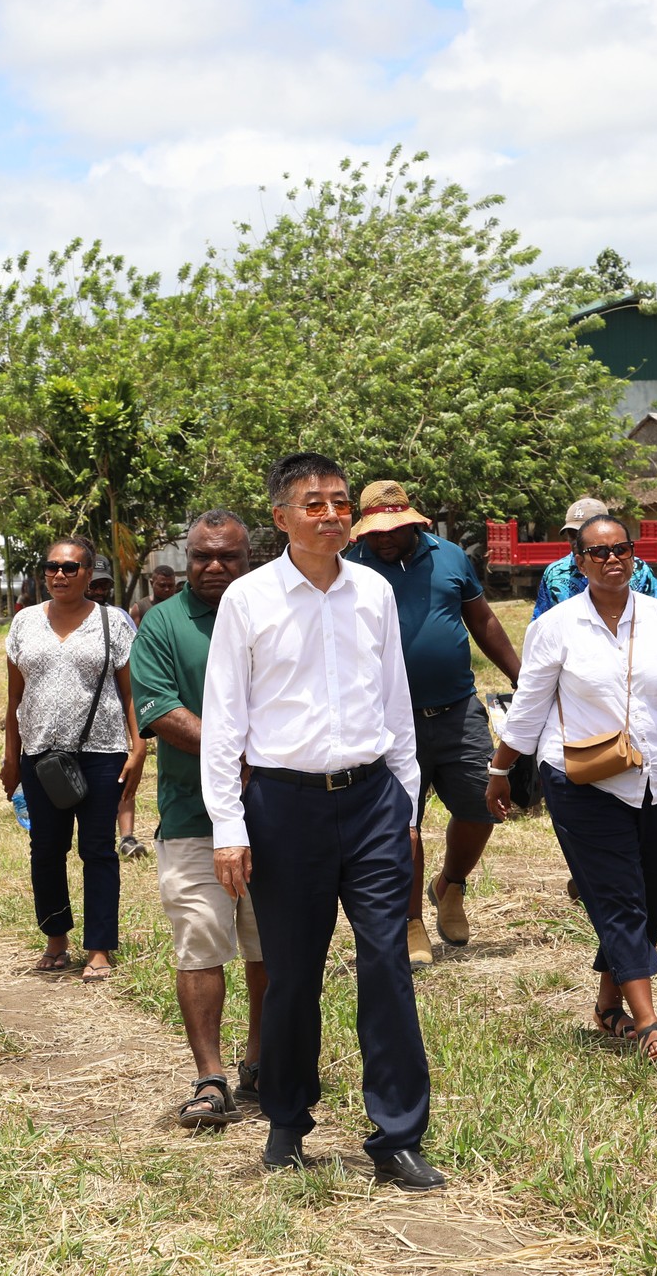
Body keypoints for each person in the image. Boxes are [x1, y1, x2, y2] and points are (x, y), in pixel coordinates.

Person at [201, 451, 443, 1191]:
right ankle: (286, 1122)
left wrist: (406, 803)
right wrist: (230, 827)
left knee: (387, 965)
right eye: (315, 504)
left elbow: (395, 706)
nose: (333, 514)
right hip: (284, 807)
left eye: (341, 502)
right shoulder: (248, 599)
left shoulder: (371, 593)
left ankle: (397, 1133)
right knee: (293, 974)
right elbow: (224, 723)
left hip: (373, 801)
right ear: (281, 518)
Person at [490, 514, 657, 1063]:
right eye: (597, 553)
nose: (611, 560)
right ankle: (648, 1023)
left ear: (635, 555)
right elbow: (529, 708)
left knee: (649, 897)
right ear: (577, 562)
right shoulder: (554, 627)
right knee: (618, 896)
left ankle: (608, 1009)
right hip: (581, 781)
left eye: (621, 549)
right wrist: (500, 770)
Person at [130, 511, 268, 1130]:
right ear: (187, 558)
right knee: (200, 942)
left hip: (275, 812)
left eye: (228, 557)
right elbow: (158, 710)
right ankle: (211, 1077)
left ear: (249, 557)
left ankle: (262, 1061)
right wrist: (239, 754)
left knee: (269, 946)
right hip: (191, 816)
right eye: (202, 557)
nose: (214, 567)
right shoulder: (161, 623)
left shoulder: (272, 609)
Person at [347, 480, 522, 962]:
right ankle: (411, 924)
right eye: (374, 531)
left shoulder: (449, 557)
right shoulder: (349, 566)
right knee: (402, 821)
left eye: (392, 530)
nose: (383, 539)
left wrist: (522, 678)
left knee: (481, 806)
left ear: (412, 523)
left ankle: (450, 886)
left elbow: (482, 620)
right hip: (386, 719)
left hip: (456, 709)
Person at [2, 535, 146, 983]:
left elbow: (130, 692)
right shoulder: (24, 622)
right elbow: (14, 697)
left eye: (70, 567)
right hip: (41, 755)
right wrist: (10, 757)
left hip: (102, 754)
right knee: (46, 850)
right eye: (52, 567)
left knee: (98, 850)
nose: (59, 575)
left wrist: (138, 746)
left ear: (89, 573)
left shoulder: (112, 622)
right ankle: (56, 939)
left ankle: (99, 947)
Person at [532, 496, 657, 618]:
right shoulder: (555, 573)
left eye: (582, 533)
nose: (576, 541)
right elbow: (542, 623)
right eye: (572, 535)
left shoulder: (637, 570)